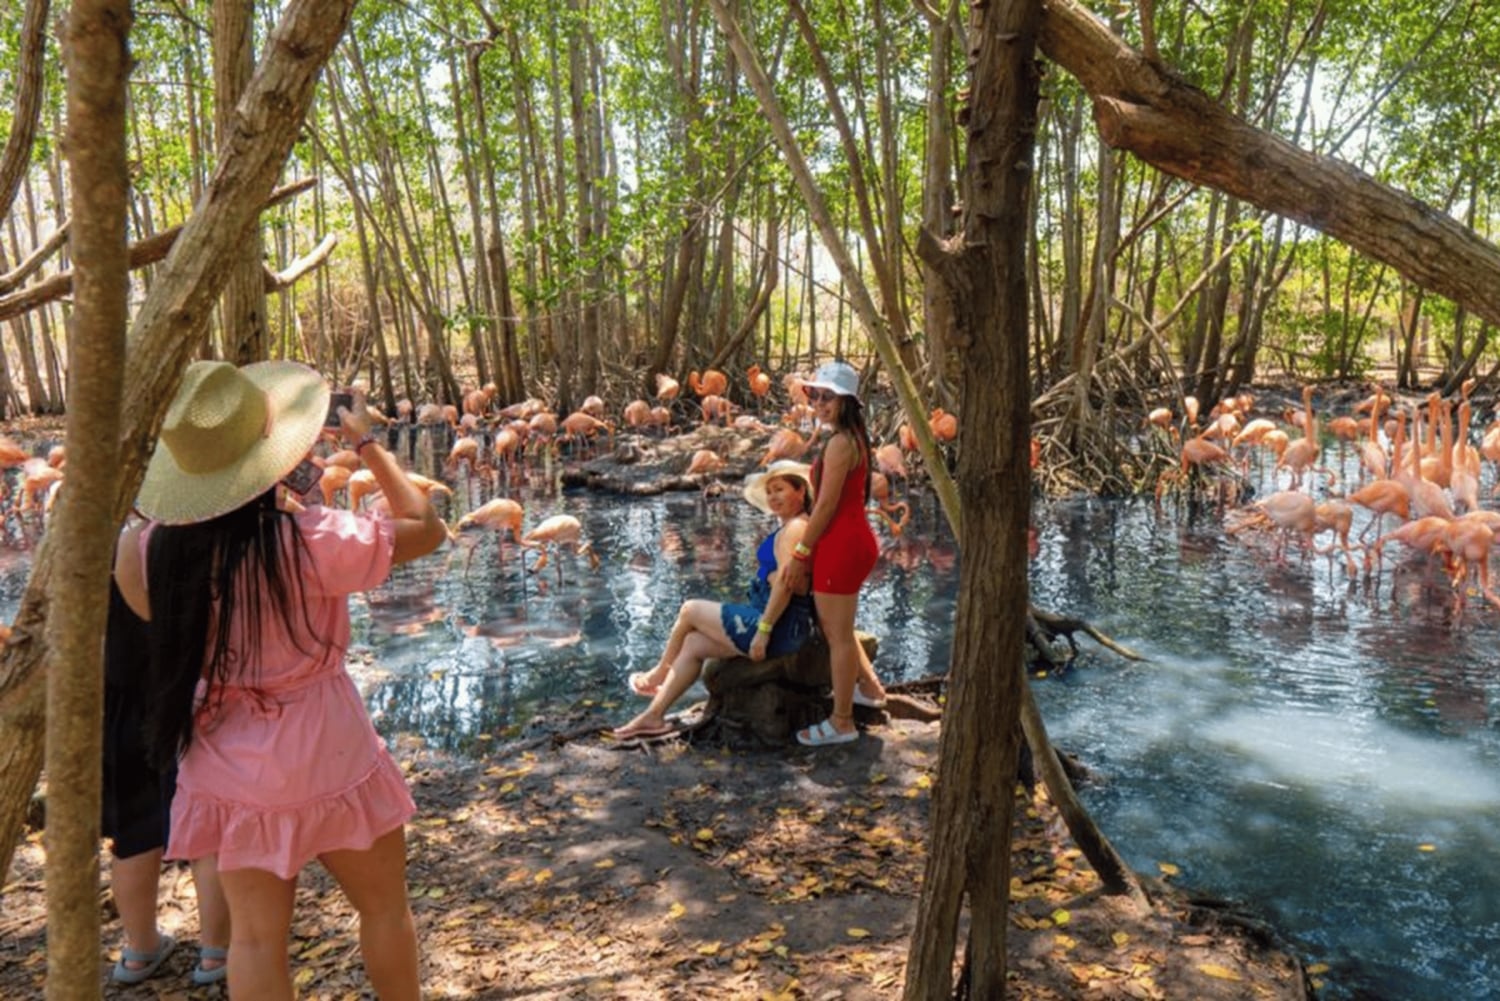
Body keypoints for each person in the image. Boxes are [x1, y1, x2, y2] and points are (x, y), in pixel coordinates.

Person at [114, 360, 447, 999]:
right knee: (384, 909)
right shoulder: (313, 541)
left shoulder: (144, 551)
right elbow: (426, 528)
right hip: (330, 751)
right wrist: (366, 444)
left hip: (228, 762)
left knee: (254, 940)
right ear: (272, 454)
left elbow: (155, 619)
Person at [613, 461, 817, 740]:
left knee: (690, 609)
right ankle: (654, 716)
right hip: (777, 621)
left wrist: (763, 631)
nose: (773, 496)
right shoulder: (793, 526)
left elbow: (787, 583)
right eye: (769, 491)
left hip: (779, 627)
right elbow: (788, 578)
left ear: (801, 490)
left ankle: (658, 674)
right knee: (693, 644)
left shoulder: (795, 528)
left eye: (779, 489)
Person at [103, 550, 230, 986]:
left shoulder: (101, 543)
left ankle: (139, 950)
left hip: (120, 701)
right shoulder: (184, 537)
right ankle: (215, 953)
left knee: (133, 833)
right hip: (184, 698)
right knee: (207, 829)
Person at [781, 361, 887, 746]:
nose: (820, 403)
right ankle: (870, 689)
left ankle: (842, 721)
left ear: (848, 402)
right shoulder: (852, 437)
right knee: (839, 627)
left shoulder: (841, 443)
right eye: (816, 395)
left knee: (837, 636)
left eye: (829, 397)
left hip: (841, 544)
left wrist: (800, 553)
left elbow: (825, 506)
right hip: (850, 540)